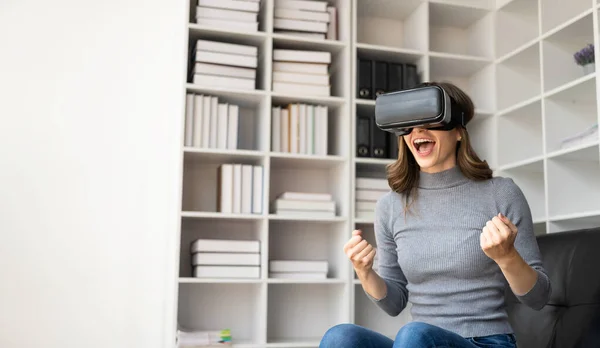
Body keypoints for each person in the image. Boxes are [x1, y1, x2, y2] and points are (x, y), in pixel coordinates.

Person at [319, 81, 552, 348]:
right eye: (409, 122)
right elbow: (394, 303)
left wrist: (507, 257)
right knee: (340, 337)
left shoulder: (500, 193)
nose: (418, 129)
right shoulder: (390, 206)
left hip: (486, 342)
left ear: (459, 131)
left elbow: (538, 297)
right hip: (418, 342)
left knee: (415, 335)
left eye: (430, 119)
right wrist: (364, 272)